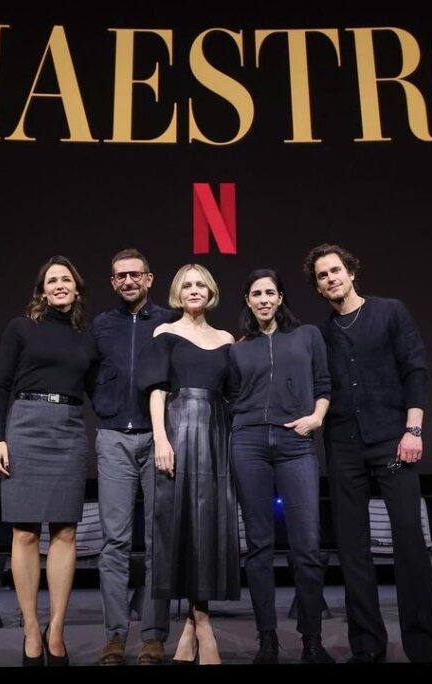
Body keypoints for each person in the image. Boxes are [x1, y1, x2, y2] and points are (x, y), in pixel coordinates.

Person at [303, 243, 432, 663]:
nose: (331, 278)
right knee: (352, 549)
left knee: (409, 544)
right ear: (318, 287)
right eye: (322, 276)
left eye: (335, 270)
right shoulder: (321, 334)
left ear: (351, 271)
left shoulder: (390, 312)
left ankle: (422, 646)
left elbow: (414, 369)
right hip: (343, 447)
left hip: (392, 441)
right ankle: (367, 645)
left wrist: (413, 428)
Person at [0, 255, 97, 667]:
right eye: (52, 280)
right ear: (42, 289)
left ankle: (57, 631)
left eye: (66, 279)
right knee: (25, 534)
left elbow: (96, 391)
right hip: (26, 426)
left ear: (76, 287)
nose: (59, 285)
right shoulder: (21, 328)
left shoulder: (87, 338)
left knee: (66, 533)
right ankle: (31, 629)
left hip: (69, 428)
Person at [227, 269, 335, 665]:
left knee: (306, 546)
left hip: (296, 443)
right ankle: (267, 639)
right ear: (247, 300)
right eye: (256, 294)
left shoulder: (307, 336)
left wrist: (317, 417)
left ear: (281, 297)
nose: (263, 300)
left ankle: (311, 638)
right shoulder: (237, 349)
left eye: (270, 293)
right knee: (258, 546)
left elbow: (324, 384)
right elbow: (232, 397)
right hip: (249, 443)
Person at [136, 264, 239, 665]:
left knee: (211, 528)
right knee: (178, 528)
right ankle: (202, 625)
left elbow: (232, 395)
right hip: (178, 431)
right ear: (177, 292)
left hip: (217, 435)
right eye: (187, 285)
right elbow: (157, 391)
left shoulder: (227, 339)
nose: (194, 290)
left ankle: (192, 627)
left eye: (201, 285)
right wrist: (161, 438)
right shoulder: (164, 334)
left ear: (211, 292)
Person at [89, 249, 177, 666]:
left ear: (149, 278)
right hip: (113, 440)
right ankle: (114, 637)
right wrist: (106, 407)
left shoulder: (168, 321)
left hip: (158, 441)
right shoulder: (101, 326)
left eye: (134, 275)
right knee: (114, 543)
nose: (127, 281)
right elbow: (88, 374)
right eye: (120, 275)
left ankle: (155, 637)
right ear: (112, 282)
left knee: (159, 540)